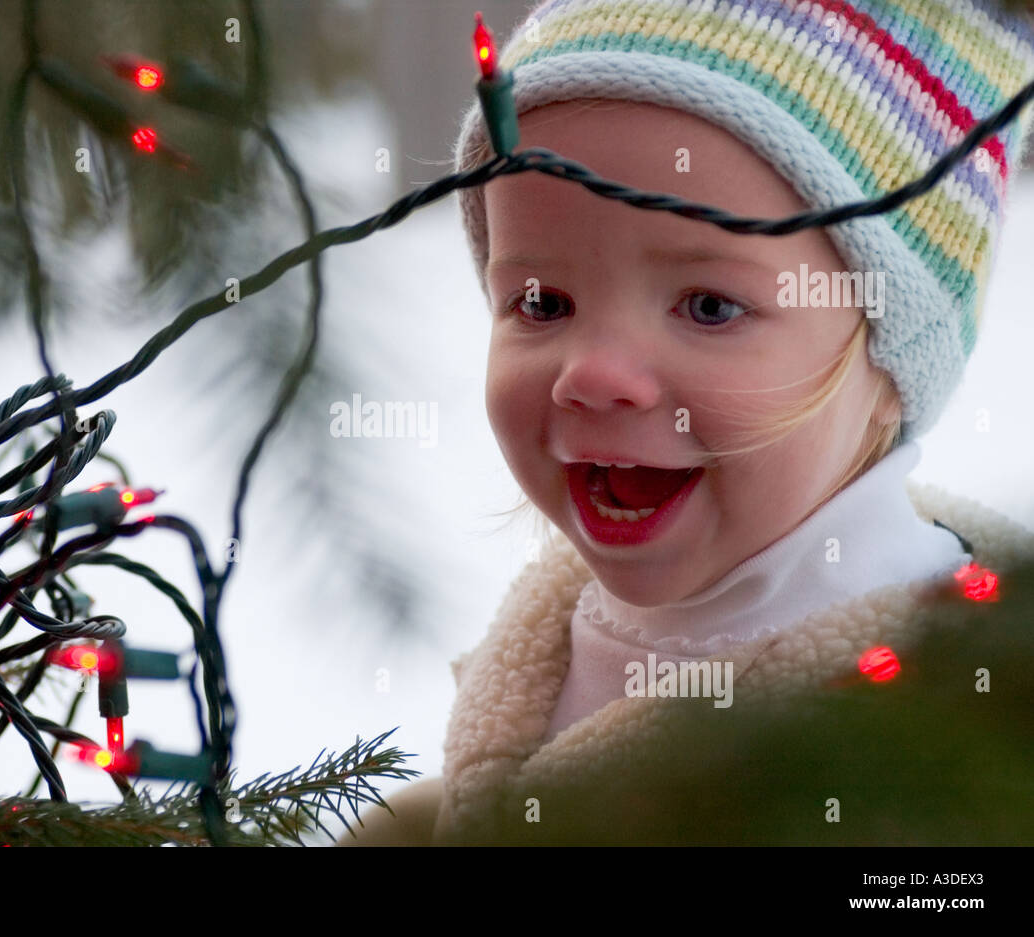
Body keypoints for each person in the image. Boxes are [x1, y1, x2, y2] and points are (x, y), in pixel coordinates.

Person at [339, 0, 1034, 846]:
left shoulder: (930, 746)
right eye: (542, 301)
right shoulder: (550, 641)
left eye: (709, 306)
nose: (591, 374)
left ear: (893, 353)